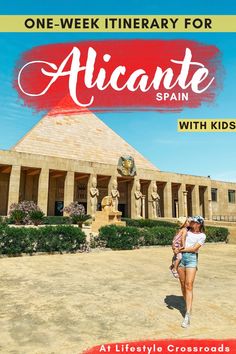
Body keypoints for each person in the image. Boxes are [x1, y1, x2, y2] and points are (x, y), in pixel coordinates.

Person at [175, 215, 206, 328]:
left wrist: (181, 249)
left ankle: (187, 314)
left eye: (193, 222)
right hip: (180, 258)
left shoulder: (202, 236)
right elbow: (176, 240)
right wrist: (175, 248)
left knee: (189, 285)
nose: (191, 222)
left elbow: (194, 249)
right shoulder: (185, 230)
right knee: (183, 285)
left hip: (192, 258)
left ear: (199, 224)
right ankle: (187, 304)